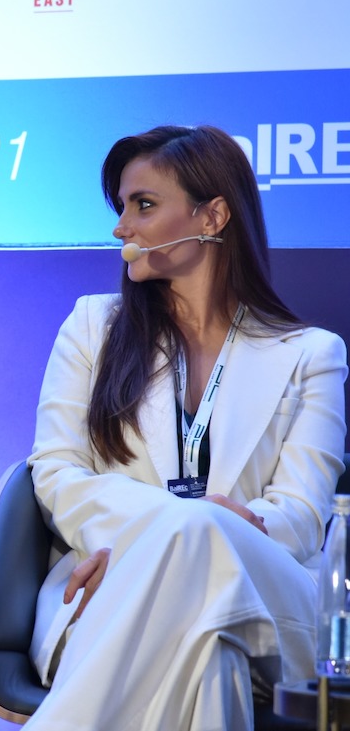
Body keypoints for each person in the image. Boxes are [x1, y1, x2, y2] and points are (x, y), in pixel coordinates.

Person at [25, 125, 347, 730]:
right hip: (114, 590)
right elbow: (56, 472)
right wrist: (169, 533)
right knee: (210, 652)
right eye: (121, 207)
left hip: (271, 605)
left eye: (143, 205)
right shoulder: (91, 327)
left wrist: (190, 532)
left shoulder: (312, 354)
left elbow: (301, 518)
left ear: (213, 216)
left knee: (201, 540)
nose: (122, 227)